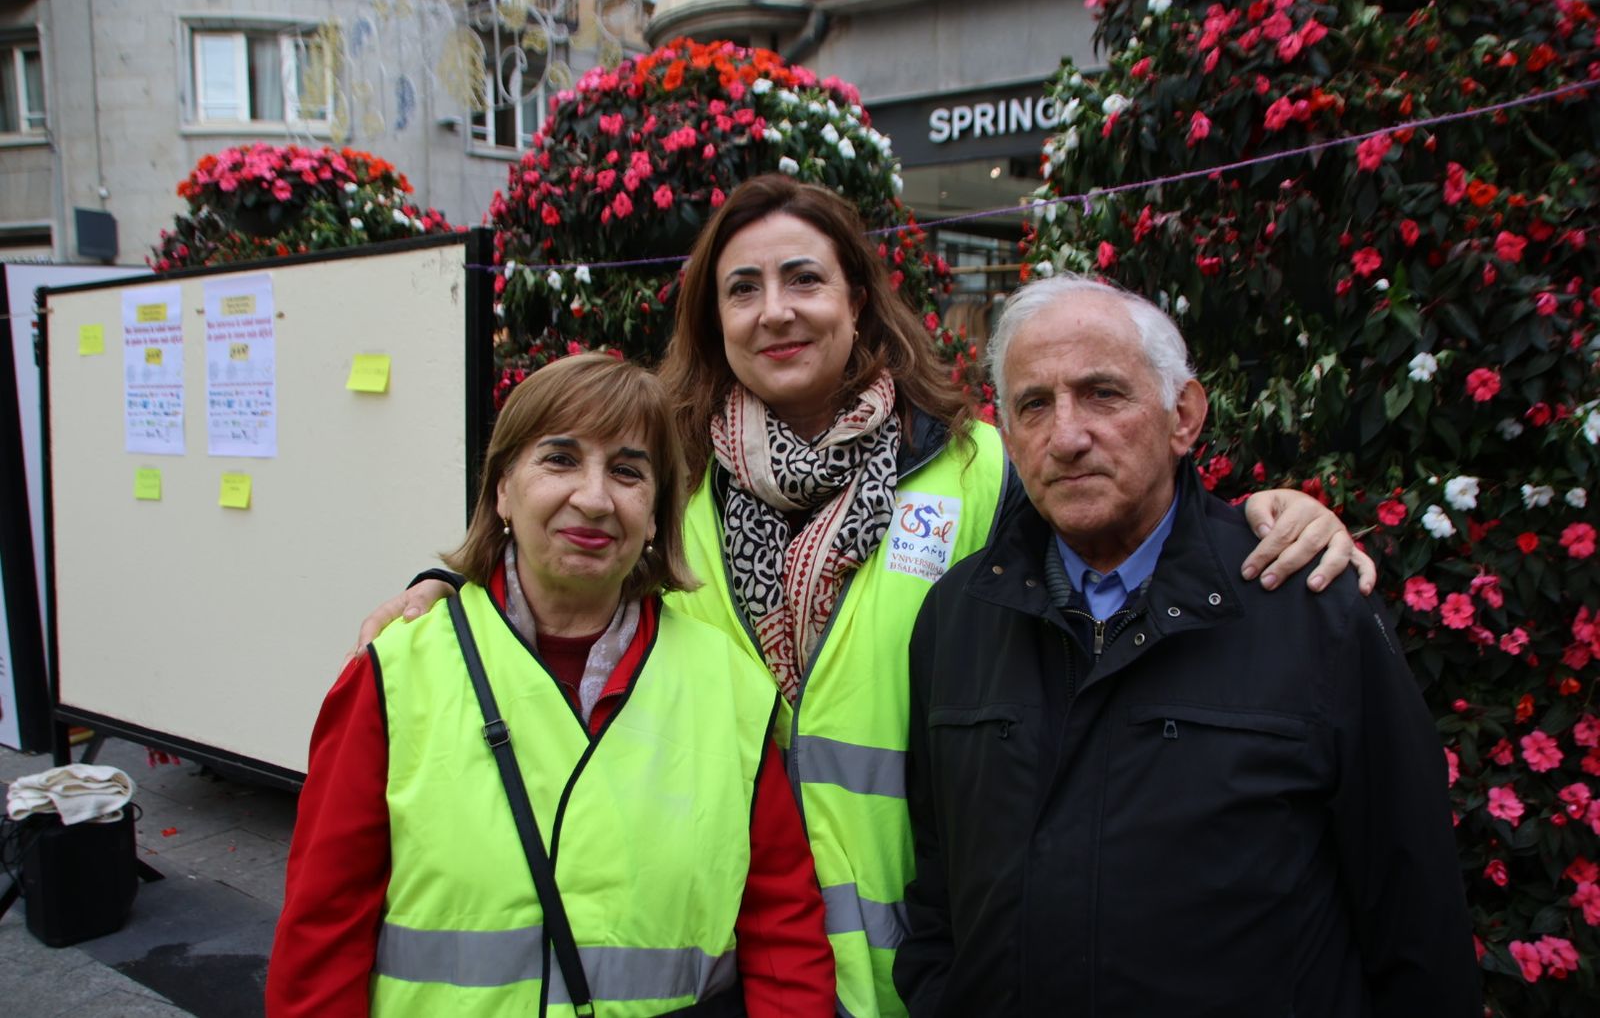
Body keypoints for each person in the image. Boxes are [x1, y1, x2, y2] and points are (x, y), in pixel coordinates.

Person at [359, 175, 1375, 1018]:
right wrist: (447, 576)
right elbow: (560, 565)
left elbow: (1118, 518)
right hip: (721, 959)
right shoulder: (668, 480)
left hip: (920, 962)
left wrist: (1263, 512)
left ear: (857, 299)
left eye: (804, 278)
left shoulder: (978, 466)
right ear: (713, 320)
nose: (776, 308)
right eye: (741, 287)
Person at [894, 275, 1479, 1016]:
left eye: (1103, 393)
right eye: (1034, 404)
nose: (1067, 436)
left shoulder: (1306, 605)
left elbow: (1414, 918)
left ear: (1184, 416)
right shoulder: (957, 616)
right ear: (1006, 434)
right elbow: (941, 891)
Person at [268, 354, 834, 1017]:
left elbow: (782, 930)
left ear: (654, 513)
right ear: (502, 488)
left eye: (627, 470)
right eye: (560, 458)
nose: (594, 498)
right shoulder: (393, 675)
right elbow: (321, 943)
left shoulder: (731, 686)